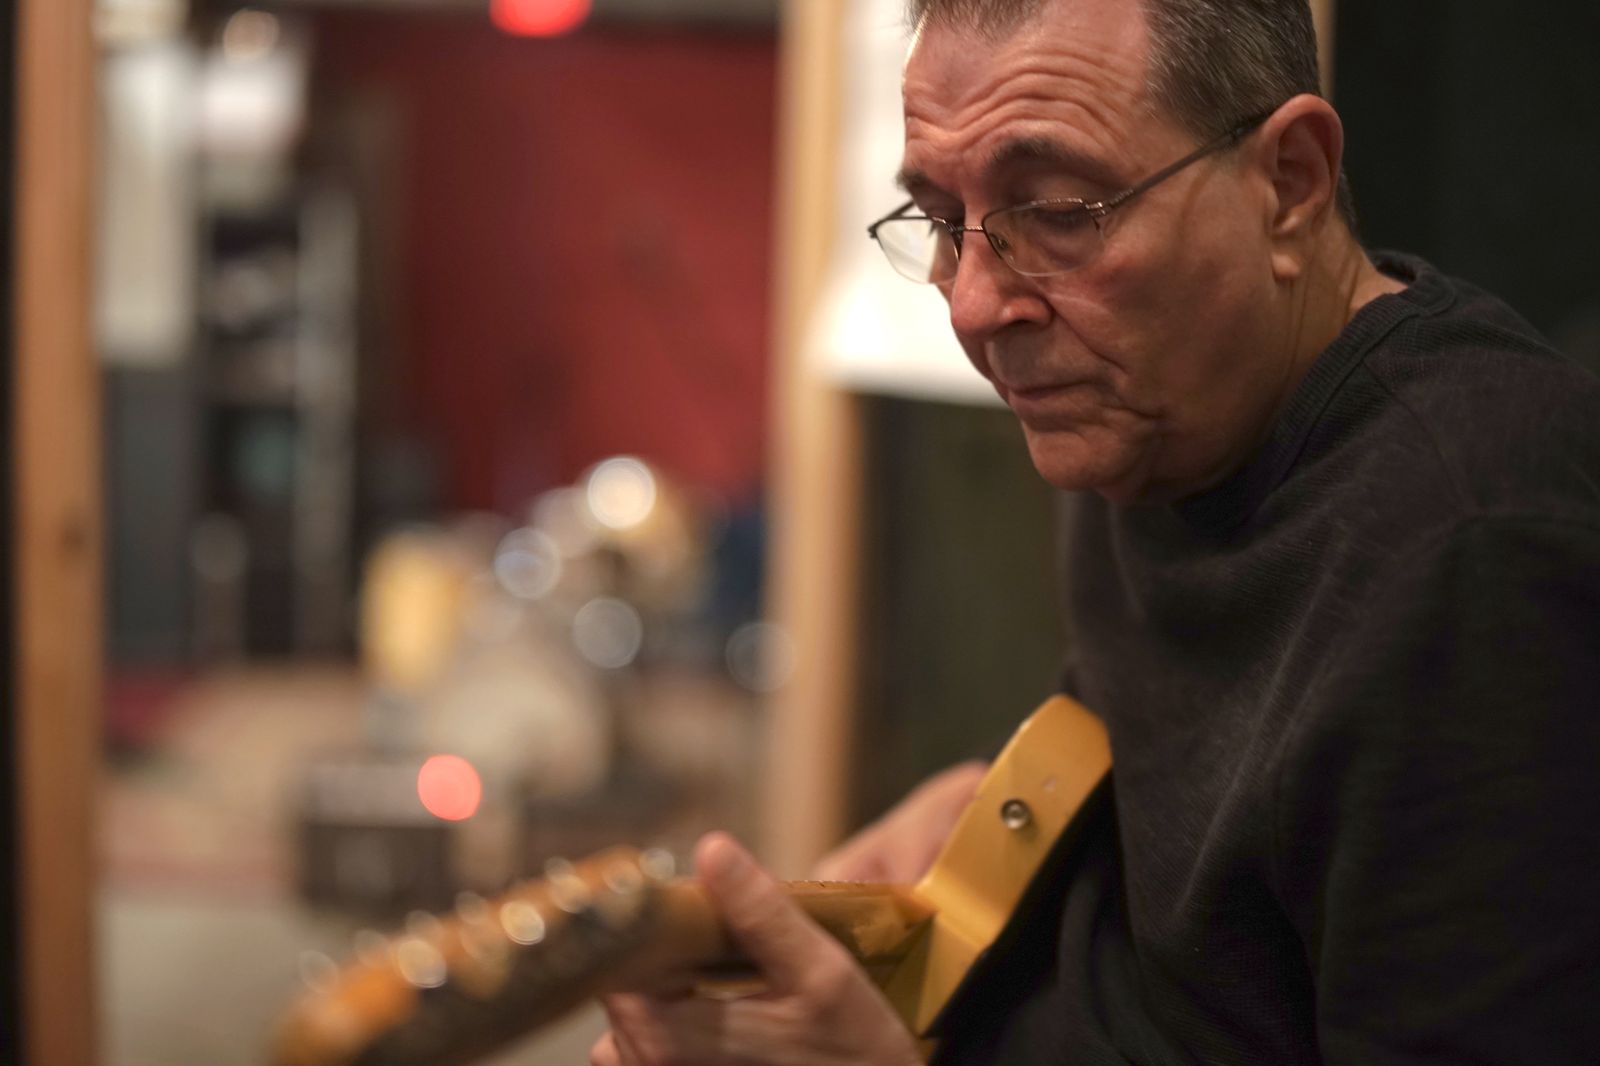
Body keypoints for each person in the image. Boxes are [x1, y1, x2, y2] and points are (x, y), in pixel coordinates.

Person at [591, 0, 1600, 1062]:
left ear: (1289, 182)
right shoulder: (1153, 414)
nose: (973, 307)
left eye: (1059, 211)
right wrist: (980, 813)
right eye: (940, 218)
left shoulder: (1480, 550)